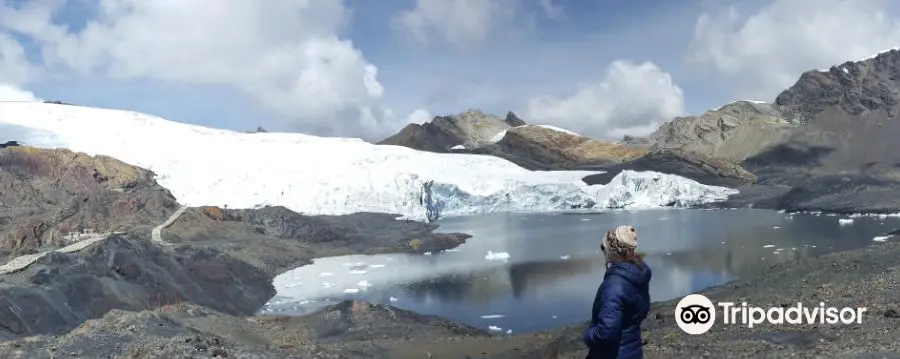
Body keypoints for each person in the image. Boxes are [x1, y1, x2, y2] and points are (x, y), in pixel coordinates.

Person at [583, 225, 652, 359]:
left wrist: (588, 336)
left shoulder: (614, 286)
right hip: (633, 351)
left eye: (604, 248)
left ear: (613, 251)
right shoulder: (638, 273)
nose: (603, 252)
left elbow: (607, 332)